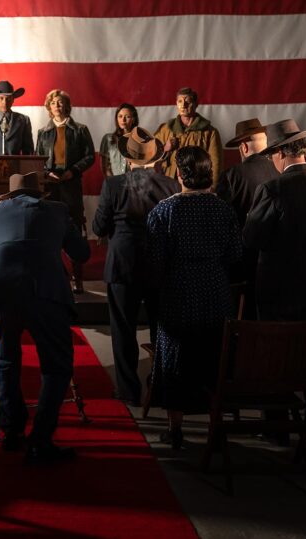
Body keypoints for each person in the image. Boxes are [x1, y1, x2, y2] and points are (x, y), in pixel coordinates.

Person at [0, 172, 90, 464]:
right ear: (39, 193)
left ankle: (11, 430)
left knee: (7, 360)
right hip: (46, 292)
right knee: (56, 366)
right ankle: (40, 440)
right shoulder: (58, 211)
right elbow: (82, 252)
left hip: (3, 292)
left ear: (10, 195)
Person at [147, 147, 242, 447]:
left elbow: (155, 262)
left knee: (176, 357)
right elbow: (235, 255)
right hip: (215, 290)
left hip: (178, 291)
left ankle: (175, 429)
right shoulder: (224, 209)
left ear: (179, 174)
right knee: (215, 354)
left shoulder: (163, 211)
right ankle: (216, 425)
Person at [92, 127, 180, 405]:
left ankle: (129, 392)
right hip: (158, 265)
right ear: (155, 157)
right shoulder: (171, 186)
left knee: (123, 331)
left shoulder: (113, 185)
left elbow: (98, 226)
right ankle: (159, 388)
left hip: (122, 264)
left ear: (128, 158)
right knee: (161, 330)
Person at [243, 120, 306, 321]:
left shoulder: (271, 189)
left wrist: (249, 220)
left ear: (279, 153)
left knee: (279, 349)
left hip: (279, 290)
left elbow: (251, 239)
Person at [215, 118, 278, 319]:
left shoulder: (232, 175)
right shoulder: (280, 171)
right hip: (276, 258)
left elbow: (220, 222)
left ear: (242, 147)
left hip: (241, 262)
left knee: (242, 317)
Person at [35, 89, 95, 293]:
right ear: (49, 107)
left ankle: (78, 280)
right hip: (50, 187)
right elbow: (38, 159)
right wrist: (46, 173)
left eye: (60, 103)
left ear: (66, 106)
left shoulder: (80, 129)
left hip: (71, 185)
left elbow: (89, 156)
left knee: (75, 229)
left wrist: (73, 171)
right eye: (53, 103)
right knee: (49, 230)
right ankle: (55, 278)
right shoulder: (43, 132)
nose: (57, 106)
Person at [153, 87, 223, 186]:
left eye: (188, 101)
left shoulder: (209, 132)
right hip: (169, 186)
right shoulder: (165, 130)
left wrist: (211, 190)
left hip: (196, 186)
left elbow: (215, 165)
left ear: (196, 104)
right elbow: (150, 155)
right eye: (180, 101)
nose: (183, 105)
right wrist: (165, 148)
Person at [99, 103, 138, 178]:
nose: (123, 120)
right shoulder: (108, 139)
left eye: (127, 117)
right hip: (115, 183)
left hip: (135, 184)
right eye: (120, 116)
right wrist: (113, 182)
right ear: (116, 119)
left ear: (133, 119)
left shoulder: (140, 140)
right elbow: (105, 166)